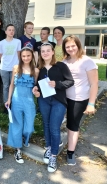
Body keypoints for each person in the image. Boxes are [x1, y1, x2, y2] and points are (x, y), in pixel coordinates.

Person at [33, 43, 74, 173]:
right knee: (46, 124)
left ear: (52, 52)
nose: (45, 53)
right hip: (44, 100)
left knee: (54, 128)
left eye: (47, 51)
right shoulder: (39, 68)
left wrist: (57, 84)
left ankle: (53, 156)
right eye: (43, 51)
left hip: (58, 101)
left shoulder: (61, 66)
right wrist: (36, 90)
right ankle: (49, 148)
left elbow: (70, 81)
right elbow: (38, 86)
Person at [62, 35, 98, 166]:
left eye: (73, 45)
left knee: (73, 125)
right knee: (66, 122)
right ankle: (65, 142)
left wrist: (91, 103)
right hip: (64, 98)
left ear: (78, 45)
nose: (70, 48)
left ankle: (70, 152)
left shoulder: (87, 61)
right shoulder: (65, 62)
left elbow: (94, 84)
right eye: (67, 46)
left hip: (79, 99)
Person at [5, 47, 40, 163]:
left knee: (29, 128)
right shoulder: (16, 68)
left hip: (29, 101)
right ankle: (17, 150)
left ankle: (24, 137)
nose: (25, 58)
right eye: (23, 56)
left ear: (32, 57)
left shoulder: (36, 70)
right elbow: (11, 85)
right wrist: (9, 99)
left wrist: (36, 91)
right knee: (16, 124)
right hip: (16, 100)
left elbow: (36, 87)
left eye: (28, 56)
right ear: (21, 56)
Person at [0, 24, 21, 106]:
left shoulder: (18, 42)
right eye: (9, 30)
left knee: (14, 85)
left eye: (13, 30)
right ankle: (6, 104)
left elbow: (18, 54)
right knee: (5, 86)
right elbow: (0, 55)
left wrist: (15, 64)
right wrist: (6, 63)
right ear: (6, 31)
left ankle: (12, 102)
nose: (11, 31)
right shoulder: (1, 43)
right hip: (4, 68)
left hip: (15, 68)